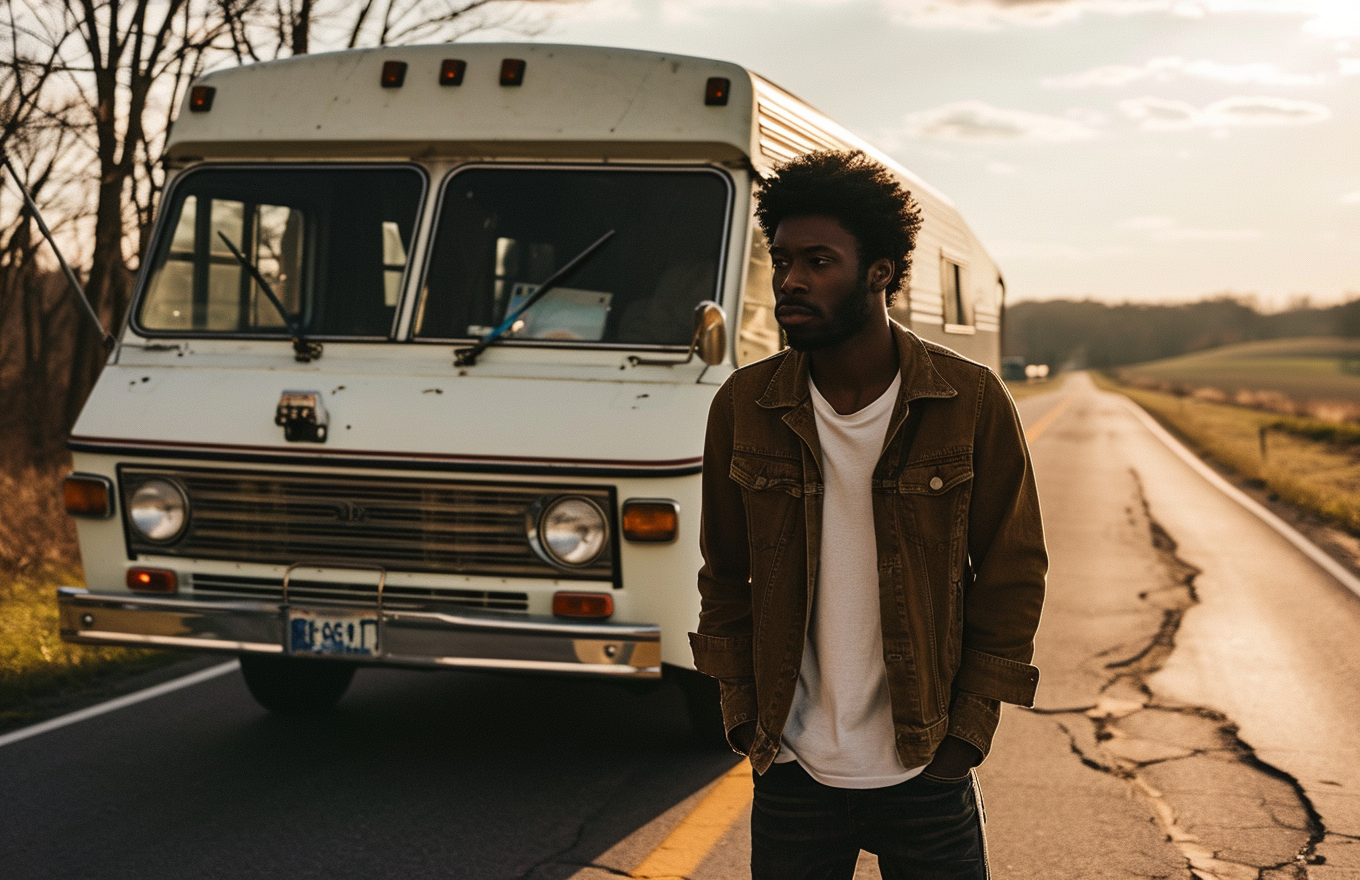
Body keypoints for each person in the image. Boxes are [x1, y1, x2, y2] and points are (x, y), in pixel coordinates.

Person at [689, 150, 1047, 880]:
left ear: (880, 271)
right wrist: (741, 710)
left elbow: (1012, 576)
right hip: (791, 769)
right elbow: (724, 574)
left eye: (818, 261)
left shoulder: (970, 401)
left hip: (927, 766)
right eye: (782, 259)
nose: (791, 280)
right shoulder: (743, 406)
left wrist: (966, 736)